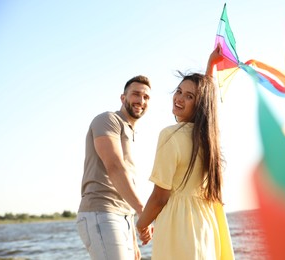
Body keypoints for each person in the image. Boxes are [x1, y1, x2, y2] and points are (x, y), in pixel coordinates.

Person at [136, 45, 235, 260]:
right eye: (179, 91)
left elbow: (160, 197)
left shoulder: (170, 135)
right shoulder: (210, 139)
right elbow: (210, 103)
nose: (179, 98)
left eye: (189, 96)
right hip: (207, 225)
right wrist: (211, 65)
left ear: (199, 104)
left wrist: (141, 224)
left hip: (179, 227)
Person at [76, 75, 153, 260]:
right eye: (136, 94)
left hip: (122, 217)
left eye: (146, 97)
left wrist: (133, 238)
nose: (141, 101)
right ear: (123, 98)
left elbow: (125, 184)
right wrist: (144, 213)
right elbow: (115, 167)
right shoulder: (108, 120)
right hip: (101, 211)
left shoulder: (130, 132)